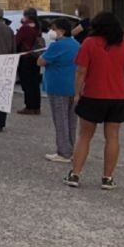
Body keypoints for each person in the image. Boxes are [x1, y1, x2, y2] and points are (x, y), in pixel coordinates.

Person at [64, 11, 124, 190]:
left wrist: (77, 93)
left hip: (93, 95)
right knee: (112, 137)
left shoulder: (89, 43)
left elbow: (81, 71)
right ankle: (107, 177)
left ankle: (75, 174)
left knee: (84, 136)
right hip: (117, 96)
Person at [38, 18, 80, 163]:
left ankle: (63, 152)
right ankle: (72, 148)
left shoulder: (56, 46)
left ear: (61, 30)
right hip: (74, 86)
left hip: (58, 86)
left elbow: (41, 61)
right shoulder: (76, 44)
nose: (52, 31)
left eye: (54, 29)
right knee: (71, 121)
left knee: (60, 120)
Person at [14, 7, 45, 115]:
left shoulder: (25, 28)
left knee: (27, 83)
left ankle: (29, 106)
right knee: (35, 82)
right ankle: (37, 106)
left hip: (26, 57)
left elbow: (16, 41)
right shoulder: (38, 26)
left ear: (26, 15)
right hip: (35, 57)